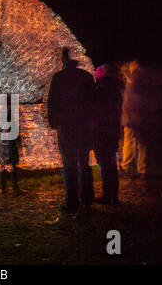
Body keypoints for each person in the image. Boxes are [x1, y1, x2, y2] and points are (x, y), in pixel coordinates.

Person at [47, 47, 96, 212]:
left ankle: (71, 201)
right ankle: (87, 199)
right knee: (84, 162)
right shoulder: (86, 77)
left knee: (69, 163)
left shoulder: (59, 78)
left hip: (66, 126)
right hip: (83, 126)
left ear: (64, 61)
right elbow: (93, 103)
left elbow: (52, 101)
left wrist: (54, 122)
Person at [93, 64, 124, 204]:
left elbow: (96, 109)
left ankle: (108, 194)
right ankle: (113, 195)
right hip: (113, 129)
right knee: (110, 161)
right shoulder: (118, 88)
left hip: (101, 129)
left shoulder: (101, 88)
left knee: (104, 162)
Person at [0, 94, 25, 196]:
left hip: (2, 140)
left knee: (3, 165)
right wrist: (17, 138)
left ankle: (3, 188)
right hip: (8, 140)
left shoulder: (2, 111)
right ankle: (14, 188)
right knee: (11, 164)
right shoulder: (9, 111)